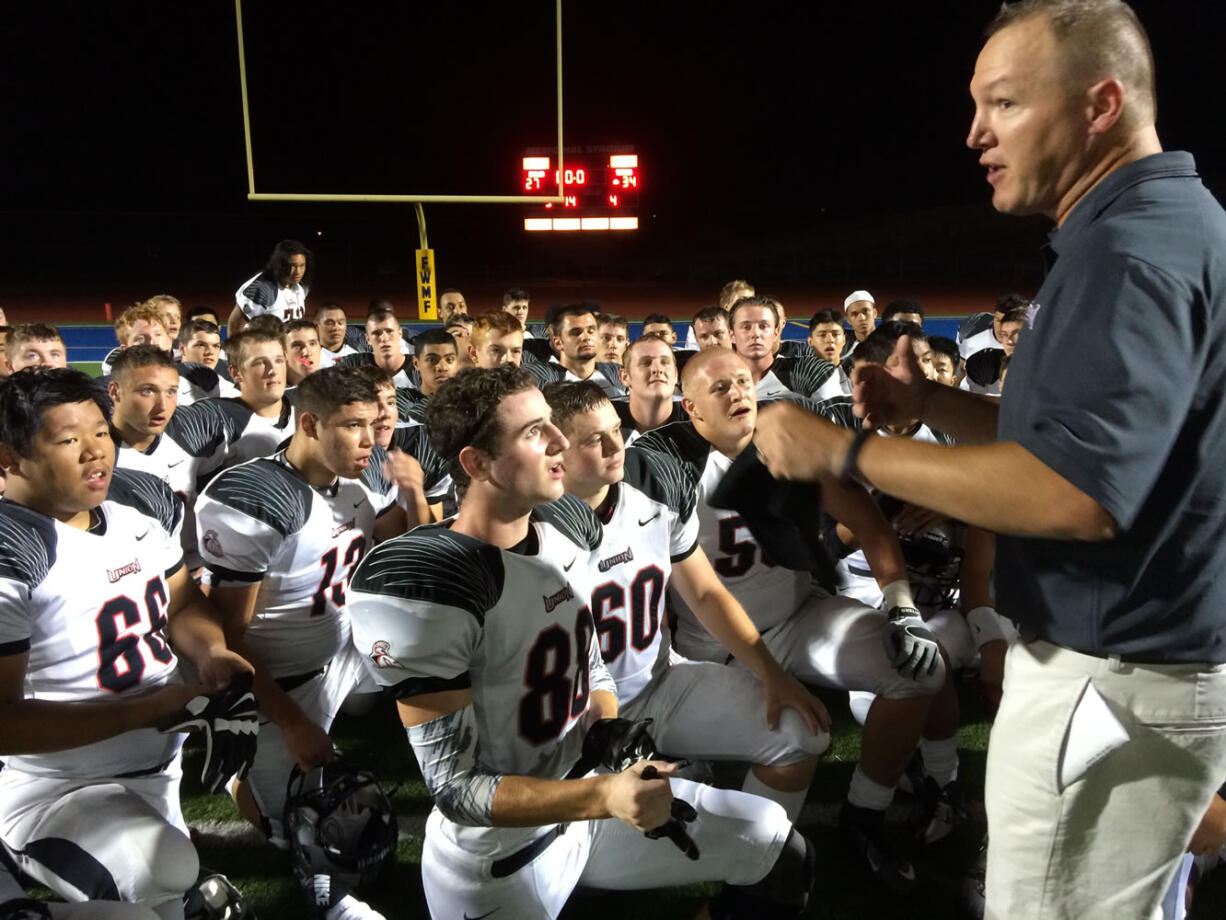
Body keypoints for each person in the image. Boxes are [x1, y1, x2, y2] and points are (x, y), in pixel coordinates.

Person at [752, 2, 1226, 916]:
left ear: (1101, 105)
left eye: (1004, 103)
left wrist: (846, 447)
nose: (974, 133)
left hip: (1113, 667)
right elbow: (1068, 442)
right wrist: (932, 405)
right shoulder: (1155, 225)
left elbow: (1076, 490)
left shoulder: (1129, 251)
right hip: (1143, 658)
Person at [347, 365, 815, 920]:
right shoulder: (434, 580)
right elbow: (457, 791)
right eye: (533, 432)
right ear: (476, 464)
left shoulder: (561, 535)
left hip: (587, 802)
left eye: (552, 425)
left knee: (779, 849)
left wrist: (605, 724)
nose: (560, 442)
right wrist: (604, 796)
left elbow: (589, 662)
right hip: (502, 853)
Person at [634, 348, 959, 891]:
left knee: (920, 669)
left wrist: (900, 604)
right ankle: (761, 865)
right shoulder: (660, 463)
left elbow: (869, 523)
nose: (739, 392)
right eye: (721, 388)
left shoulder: (787, 441)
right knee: (761, 756)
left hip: (796, 613)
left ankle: (864, 816)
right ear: (689, 406)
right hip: (708, 647)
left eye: (743, 381)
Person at [0, 368, 257, 920]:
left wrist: (213, 653)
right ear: (8, 458)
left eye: (99, 432)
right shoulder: (11, 548)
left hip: (155, 768)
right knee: (159, 880)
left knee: (172, 894)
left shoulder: (135, 508)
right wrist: (147, 711)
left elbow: (183, 604)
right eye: (69, 440)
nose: (95, 453)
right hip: (56, 787)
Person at [545, 380, 829, 821]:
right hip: (568, 715)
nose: (614, 445)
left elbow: (705, 591)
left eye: (615, 430)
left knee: (801, 733)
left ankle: (759, 860)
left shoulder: (658, 480)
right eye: (592, 440)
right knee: (576, 837)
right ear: (555, 451)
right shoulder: (529, 519)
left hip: (657, 682)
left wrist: (771, 672)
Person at [195, 368, 400, 920]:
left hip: (339, 652)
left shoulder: (364, 477)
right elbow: (232, 634)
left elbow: (395, 545)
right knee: (303, 834)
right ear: (308, 423)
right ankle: (241, 765)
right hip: (273, 677)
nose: (368, 441)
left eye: (374, 425)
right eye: (353, 426)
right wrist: (290, 721)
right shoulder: (257, 497)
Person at [728, 296, 842, 402]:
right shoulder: (716, 382)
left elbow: (840, 416)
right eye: (746, 327)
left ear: (776, 332)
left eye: (763, 326)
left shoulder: (806, 372)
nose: (755, 333)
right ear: (732, 335)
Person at [534, 305, 627, 398]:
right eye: (576, 332)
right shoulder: (541, 375)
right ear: (558, 343)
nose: (586, 337)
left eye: (591, 331)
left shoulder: (616, 372)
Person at [613, 333, 686, 444]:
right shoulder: (603, 419)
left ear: (676, 374)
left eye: (665, 362)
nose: (658, 369)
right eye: (646, 363)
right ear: (625, 377)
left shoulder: (698, 422)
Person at [230, 240, 313, 336]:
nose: (298, 271)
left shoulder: (300, 287)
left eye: (302, 265)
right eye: (292, 266)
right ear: (280, 264)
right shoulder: (262, 287)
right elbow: (235, 325)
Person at [397, 328, 458, 423]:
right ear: (416, 363)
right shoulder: (401, 399)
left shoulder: (472, 401)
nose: (442, 367)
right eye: (432, 360)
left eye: (449, 359)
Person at [808, 308, 851, 394]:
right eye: (822, 335)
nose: (830, 340)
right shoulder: (800, 379)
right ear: (810, 342)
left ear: (844, 340)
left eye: (835, 334)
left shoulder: (856, 375)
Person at [315, 303, 358, 369]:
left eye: (340, 323)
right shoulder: (310, 357)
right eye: (329, 323)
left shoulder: (356, 358)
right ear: (316, 326)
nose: (336, 327)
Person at [284, 318, 322, 387]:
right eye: (297, 346)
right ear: (283, 354)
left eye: (312, 344)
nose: (307, 353)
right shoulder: (273, 395)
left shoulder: (334, 387)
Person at [842, 290, 877, 359]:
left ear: (875, 313)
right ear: (848, 320)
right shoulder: (840, 343)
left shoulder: (889, 343)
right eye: (854, 314)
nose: (861, 318)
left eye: (865, 311)